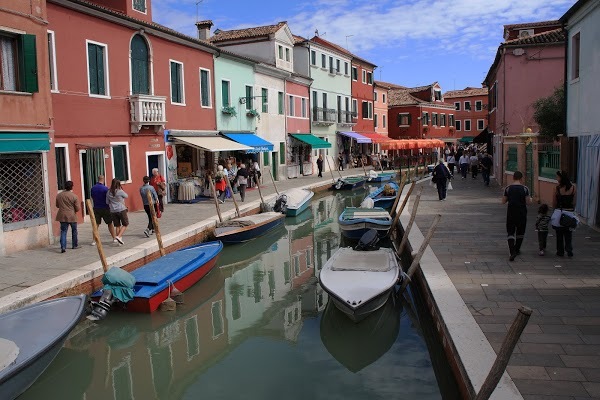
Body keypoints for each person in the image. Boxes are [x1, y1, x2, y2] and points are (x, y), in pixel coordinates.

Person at [502, 171, 532, 261]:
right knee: (520, 231)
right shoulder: (525, 189)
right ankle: (517, 249)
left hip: (511, 213)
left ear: (513, 178)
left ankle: (512, 251)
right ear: (521, 178)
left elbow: (503, 201)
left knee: (510, 232)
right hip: (522, 213)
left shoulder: (508, 188)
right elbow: (528, 202)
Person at [552, 171, 577, 257]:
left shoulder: (557, 188)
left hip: (560, 212)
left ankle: (560, 251)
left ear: (561, 178)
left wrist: (555, 209)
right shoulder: (573, 188)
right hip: (569, 212)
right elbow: (574, 202)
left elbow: (554, 203)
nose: (556, 178)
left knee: (559, 233)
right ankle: (569, 249)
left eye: (557, 177)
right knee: (568, 233)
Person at [90, 175, 116, 245]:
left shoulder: (93, 188)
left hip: (96, 208)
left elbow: (92, 197)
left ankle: (94, 240)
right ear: (103, 179)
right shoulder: (105, 189)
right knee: (110, 223)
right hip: (105, 208)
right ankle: (114, 238)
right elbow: (108, 198)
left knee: (96, 225)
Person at [56, 180, 80, 253]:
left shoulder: (59, 195)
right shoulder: (74, 196)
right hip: (72, 215)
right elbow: (77, 208)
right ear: (71, 187)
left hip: (62, 215)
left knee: (63, 231)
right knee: (74, 230)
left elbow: (57, 205)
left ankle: (63, 246)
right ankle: (74, 245)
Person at [106, 178, 128, 245]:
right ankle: (118, 236)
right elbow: (126, 196)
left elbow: (107, 202)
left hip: (113, 210)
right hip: (121, 209)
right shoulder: (119, 191)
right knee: (125, 224)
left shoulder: (108, 192)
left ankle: (119, 241)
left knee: (117, 225)